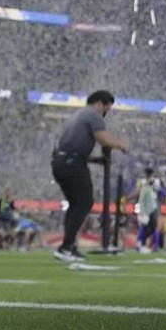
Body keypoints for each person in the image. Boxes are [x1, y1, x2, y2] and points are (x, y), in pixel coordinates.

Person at [50, 90, 128, 263]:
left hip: (60, 162)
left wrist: (94, 159)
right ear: (101, 103)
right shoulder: (93, 115)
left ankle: (69, 246)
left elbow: (70, 146)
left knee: (75, 204)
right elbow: (104, 140)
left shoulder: (76, 115)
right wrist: (120, 144)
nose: (106, 112)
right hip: (72, 163)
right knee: (85, 202)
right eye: (107, 108)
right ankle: (65, 247)